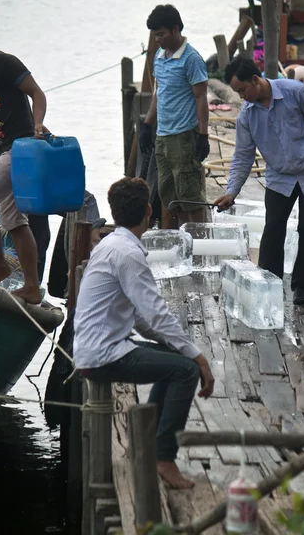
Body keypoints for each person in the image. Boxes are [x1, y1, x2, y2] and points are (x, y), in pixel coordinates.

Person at [73, 177, 214, 488]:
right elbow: (157, 315)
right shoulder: (127, 253)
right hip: (102, 355)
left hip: (102, 345)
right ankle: (163, 458)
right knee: (185, 372)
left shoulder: (112, 244)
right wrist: (198, 356)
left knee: (178, 363)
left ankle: (150, 446)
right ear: (150, 210)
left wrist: (181, 348)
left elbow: (139, 318)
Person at [214, 57, 304, 305]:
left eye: (242, 90)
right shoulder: (247, 116)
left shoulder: (297, 92)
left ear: (255, 80)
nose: (241, 97)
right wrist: (232, 191)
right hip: (279, 177)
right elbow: (243, 155)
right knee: (273, 229)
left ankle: (301, 286)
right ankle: (267, 282)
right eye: (237, 92)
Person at [139, 4, 209, 228]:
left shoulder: (191, 59)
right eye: (154, 35)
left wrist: (203, 134)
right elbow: (160, 93)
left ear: (175, 29)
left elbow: (201, 98)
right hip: (163, 136)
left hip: (183, 137)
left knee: (190, 197)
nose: (157, 39)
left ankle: (198, 248)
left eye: (161, 34)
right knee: (168, 196)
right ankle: (178, 244)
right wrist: (147, 125)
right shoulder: (159, 57)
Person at [0, 50, 48, 304]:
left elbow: (37, 93)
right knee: (14, 221)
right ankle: (32, 287)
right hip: (1, 153)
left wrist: (38, 124)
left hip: (20, 147)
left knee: (15, 220)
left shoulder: (4, 63)